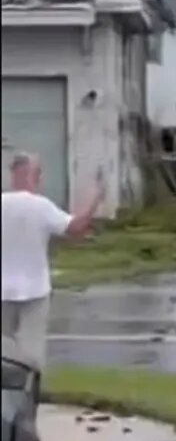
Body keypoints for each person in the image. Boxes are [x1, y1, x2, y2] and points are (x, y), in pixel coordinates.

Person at [1, 152, 105, 369]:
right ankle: (28, 396)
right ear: (31, 174)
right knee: (31, 353)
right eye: (37, 173)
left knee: (4, 350)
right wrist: (95, 199)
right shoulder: (41, 206)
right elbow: (74, 228)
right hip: (35, 290)